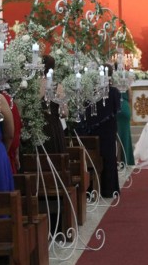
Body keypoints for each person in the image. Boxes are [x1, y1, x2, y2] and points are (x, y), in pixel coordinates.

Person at [77, 64, 121, 198]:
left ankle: (91, 190)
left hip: (92, 131)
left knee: (93, 157)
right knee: (108, 158)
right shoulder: (113, 92)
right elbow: (116, 109)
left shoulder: (89, 91)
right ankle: (108, 189)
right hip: (107, 131)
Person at [40, 55, 67, 154]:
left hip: (36, 128)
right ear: (53, 68)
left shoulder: (32, 86)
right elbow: (64, 113)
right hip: (53, 128)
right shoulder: (57, 87)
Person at [117, 89, 135, 166]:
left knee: (116, 135)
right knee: (125, 136)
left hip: (115, 106)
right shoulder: (125, 80)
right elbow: (130, 96)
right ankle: (126, 160)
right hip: (124, 106)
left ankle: (117, 160)